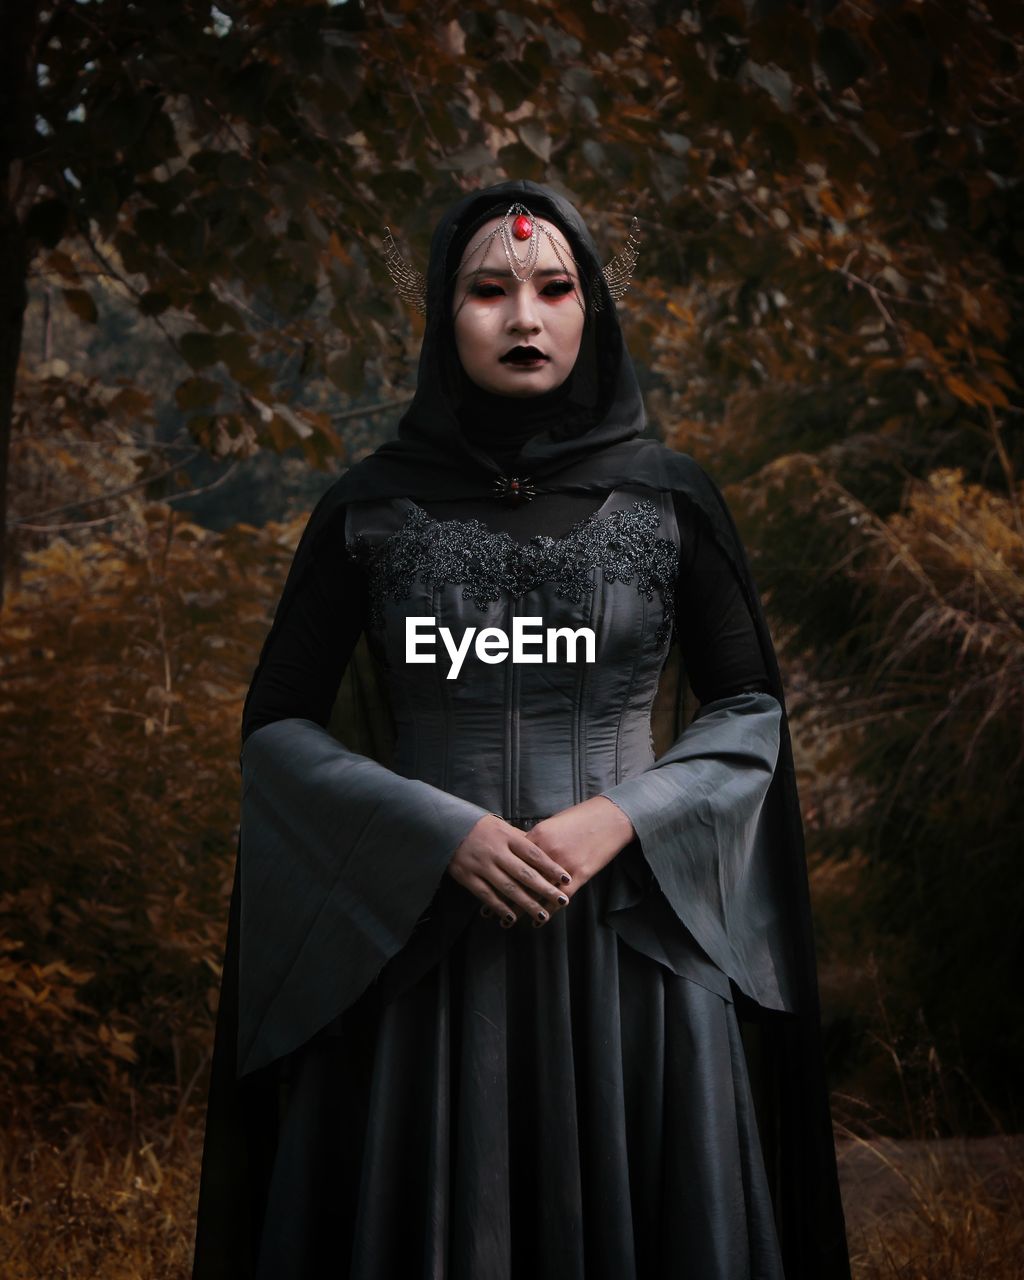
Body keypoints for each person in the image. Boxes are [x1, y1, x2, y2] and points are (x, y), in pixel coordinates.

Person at [191, 179, 851, 1279]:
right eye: (488, 289)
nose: (523, 316)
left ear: (592, 308)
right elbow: (276, 727)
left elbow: (747, 707)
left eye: (553, 286)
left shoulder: (671, 499)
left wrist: (622, 816)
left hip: (634, 951)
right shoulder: (366, 504)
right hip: (424, 956)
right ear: (445, 319)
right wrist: (430, 828)